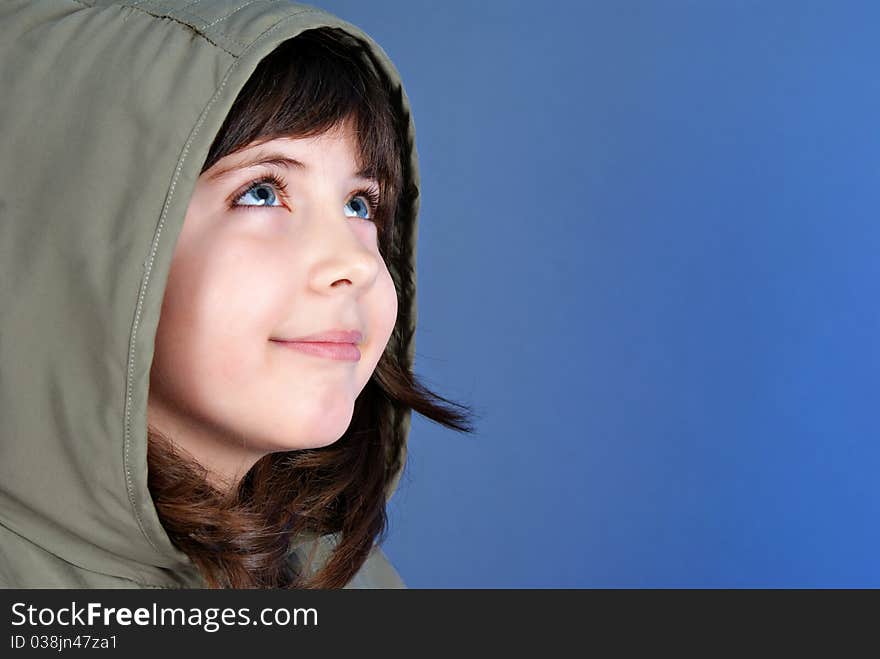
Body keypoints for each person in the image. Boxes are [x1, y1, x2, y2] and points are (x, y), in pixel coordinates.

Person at [0, 0, 474, 588]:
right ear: (82, 241)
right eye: (262, 193)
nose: (355, 263)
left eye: (360, 204)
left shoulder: (345, 580)